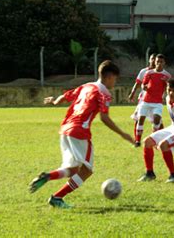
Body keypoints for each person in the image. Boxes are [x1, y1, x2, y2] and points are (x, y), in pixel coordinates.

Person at [29, 60, 133, 209]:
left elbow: (66, 96)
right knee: (86, 171)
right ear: (109, 77)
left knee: (73, 169)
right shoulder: (104, 93)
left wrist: (54, 102)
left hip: (65, 130)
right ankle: (57, 197)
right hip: (79, 132)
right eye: (115, 79)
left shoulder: (86, 86)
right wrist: (123, 134)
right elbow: (104, 118)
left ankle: (48, 176)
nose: (115, 83)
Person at [134, 54, 171, 147]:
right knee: (141, 119)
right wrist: (144, 87)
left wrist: (167, 86)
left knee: (157, 120)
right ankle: (137, 141)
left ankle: (153, 139)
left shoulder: (167, 75)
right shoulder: (149, 73)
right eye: (157, 61)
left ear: (164, 63)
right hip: (146, 101)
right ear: (155, 62)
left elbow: (170, 87)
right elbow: (143, 84)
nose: (159, 63)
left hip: (157, 102)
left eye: (161, 62)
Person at [128, 54, 159, 145]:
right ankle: (137, 140)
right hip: (143, 99)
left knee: (157, 120)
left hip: (155, 99)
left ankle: (158, 139)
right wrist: (132, 93)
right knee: (138, 119)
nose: (153, 61)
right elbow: (137, 83)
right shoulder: (144, 71)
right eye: (152, 59)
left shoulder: (159, 73)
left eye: (155, 59)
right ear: (149, 60)